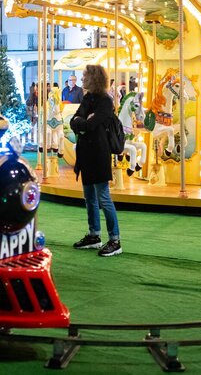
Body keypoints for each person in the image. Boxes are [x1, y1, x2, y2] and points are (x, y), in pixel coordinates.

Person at [70, 64, 122, 258]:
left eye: (84, 76)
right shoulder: (87, 98)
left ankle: (115, 239)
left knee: (103, 197)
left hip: (99, 153)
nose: (82, 79)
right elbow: (74, 121)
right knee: (89, 197)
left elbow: (90, 124)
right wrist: (82, 123)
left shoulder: (105, 102)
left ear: (94, 78)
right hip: (86, 153)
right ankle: (94, 235)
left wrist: (82, 123)